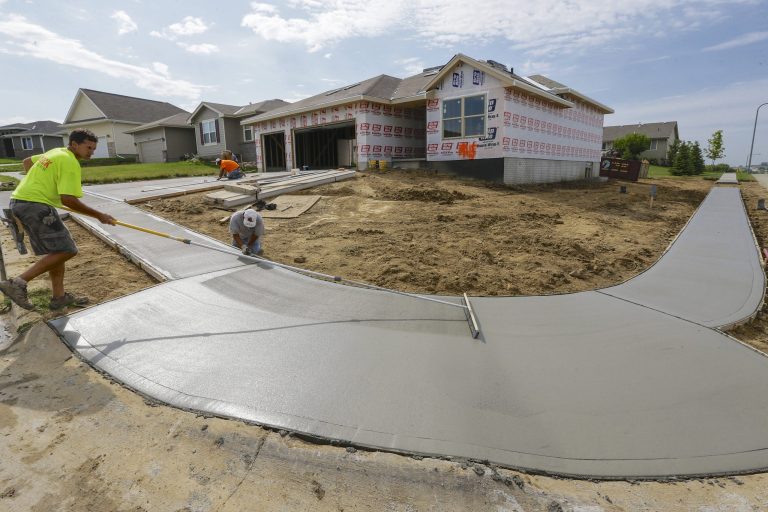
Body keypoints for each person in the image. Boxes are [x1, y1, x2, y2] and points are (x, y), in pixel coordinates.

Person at [0, 129, 116, 310]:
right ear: (74, 144)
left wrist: (41, 185)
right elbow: (68, 199)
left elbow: (27, 162)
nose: (91, 151)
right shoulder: (70, 161)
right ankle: (18, 283)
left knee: (57, 251)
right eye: (88, 147)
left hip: (22, 201)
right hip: (34, 205)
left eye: (93, 148)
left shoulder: (55, 152)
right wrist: (99, 215)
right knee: (68, 250)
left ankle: (59, 297)